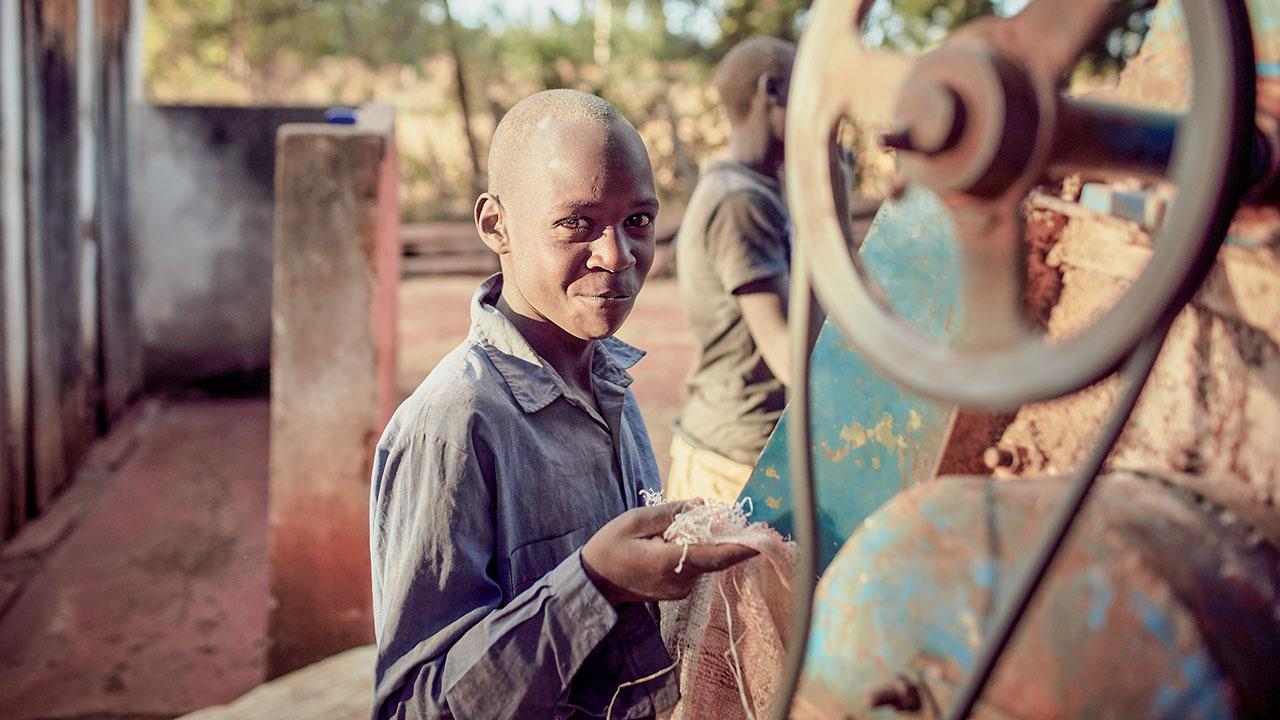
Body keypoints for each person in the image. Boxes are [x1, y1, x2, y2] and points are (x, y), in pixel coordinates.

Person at [369, 89, 758, 720]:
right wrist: (595, 583)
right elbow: (412, 707)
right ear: (497, 225)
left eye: (637, 221)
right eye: (575, 223)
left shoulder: (610, 383)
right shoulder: (456, 425)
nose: (616, 255)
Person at [670, 38, 797, 502]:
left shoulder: (756, 192)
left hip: (740, 453)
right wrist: (835, 222)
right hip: (736, 466)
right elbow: (792, 358)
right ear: (775, 91)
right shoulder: (739, 202)